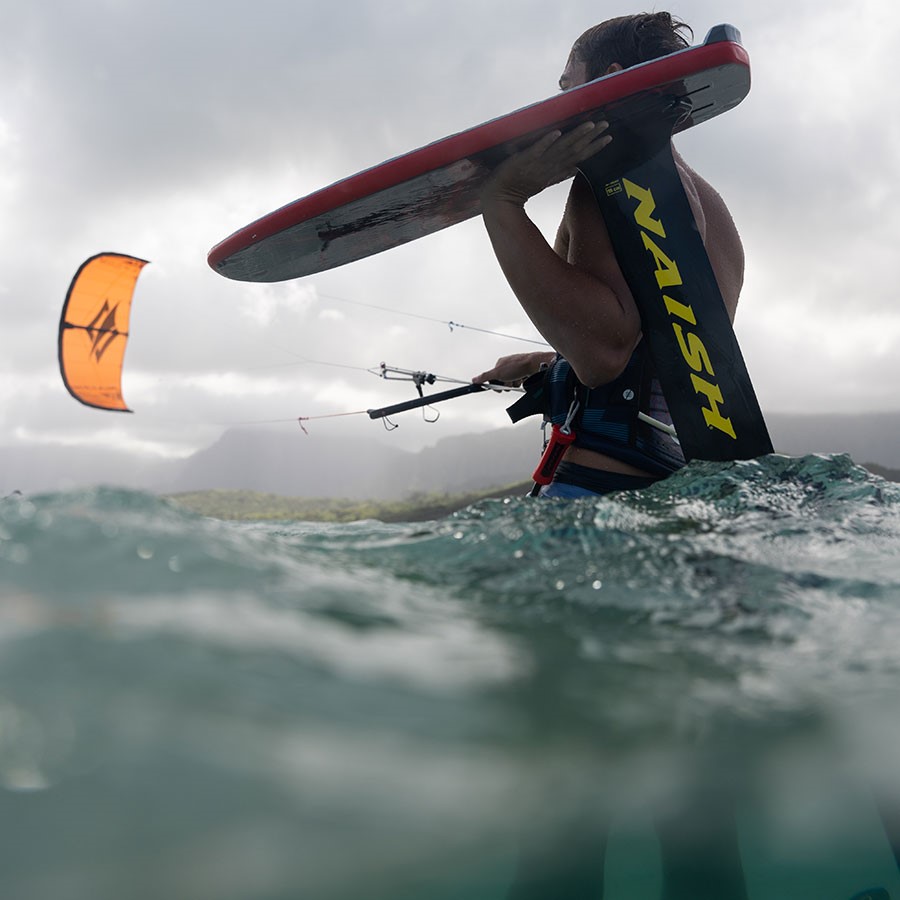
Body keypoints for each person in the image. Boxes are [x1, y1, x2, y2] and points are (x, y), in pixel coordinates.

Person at [472, 12, 745, 499]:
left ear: (611, 78)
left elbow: (605, 355)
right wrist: (542, 364)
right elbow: (660, 351)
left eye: (566, 84)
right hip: (677, 490)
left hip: (602, 490)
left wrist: (503, 201)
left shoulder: (609, 186)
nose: (559, 102)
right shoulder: (714, 209)